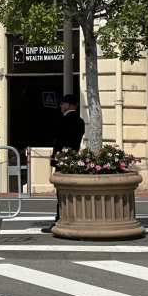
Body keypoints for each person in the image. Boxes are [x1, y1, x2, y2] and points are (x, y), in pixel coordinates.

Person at [43, 94, 85, 232]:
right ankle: (72, 219)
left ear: (69, 105)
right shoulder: (80, 121)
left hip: (62, 161)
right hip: (73, 160)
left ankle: (59, 220)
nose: (61, 106)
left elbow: (57, 140)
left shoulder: (62, 120)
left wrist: (55, 157)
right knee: (72, 192)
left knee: (61, 193)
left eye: (63, 104)